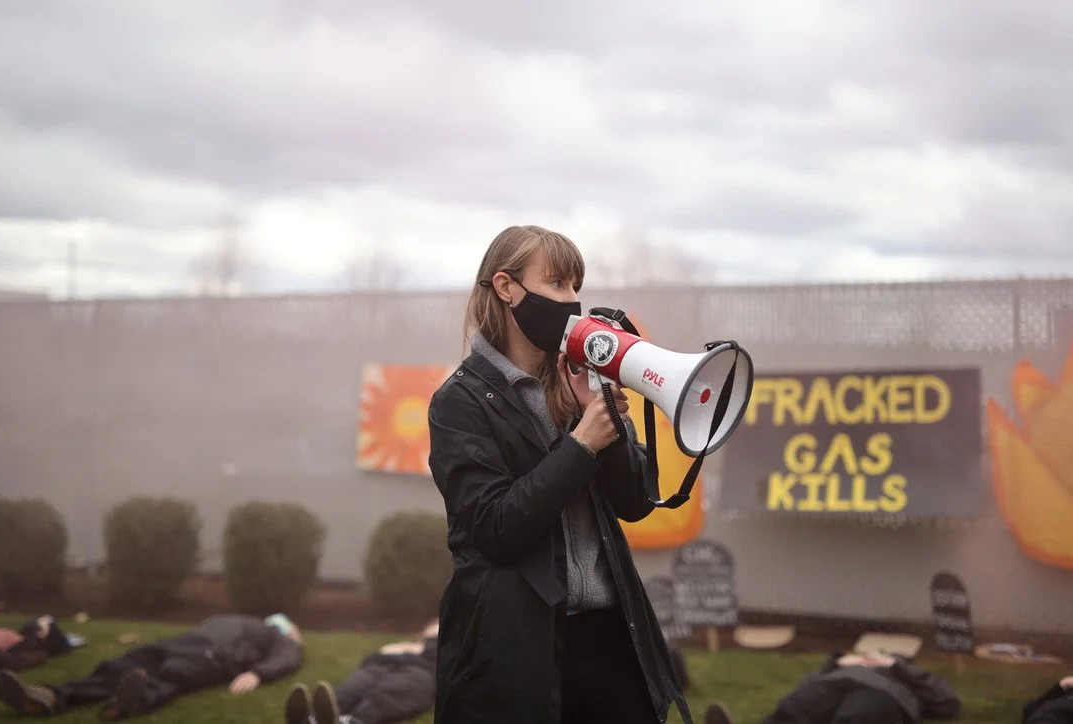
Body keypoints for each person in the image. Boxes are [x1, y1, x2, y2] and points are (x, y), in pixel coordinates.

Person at [427, 225, 693, 724]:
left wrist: (609, 421)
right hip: (515, 648)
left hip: (610, 637)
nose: (572, 301)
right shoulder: (458, 403)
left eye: (576, 286)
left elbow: (635, 503)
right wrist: (581, 443)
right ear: (507, 288)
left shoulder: (579, 382)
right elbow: (495, 528)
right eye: (557, 284)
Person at [0, 612, 304, 720]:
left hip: (214, 656)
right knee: (120, 666)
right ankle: (50, 697)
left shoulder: (278, 638)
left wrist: (256, 672)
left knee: (174, 675)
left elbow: (287, 658)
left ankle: (129, 702)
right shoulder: (245, 620)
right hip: (182, 641)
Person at [703, 651, 960, 724]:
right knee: (790, 711)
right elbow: (808, 683)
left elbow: (947, 703)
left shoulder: (903, 670)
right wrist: (836, 662)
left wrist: (894, 663)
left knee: (857, 717)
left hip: (881, 693)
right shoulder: (842, 665)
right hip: (834, 683)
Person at [283, 620, 439, 724]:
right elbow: (382, 652)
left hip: (421, 670)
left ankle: (351, 721)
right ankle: (313, 718)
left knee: (388, 694)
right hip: (380, 664)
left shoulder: (450, 649)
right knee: (352, 689)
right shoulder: (408, 644)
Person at [0, 615, 84, 673]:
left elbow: (10, 662)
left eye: (42, 624)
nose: (36, 621)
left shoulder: (36, 653)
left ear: (42, 635)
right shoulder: (20, 638)